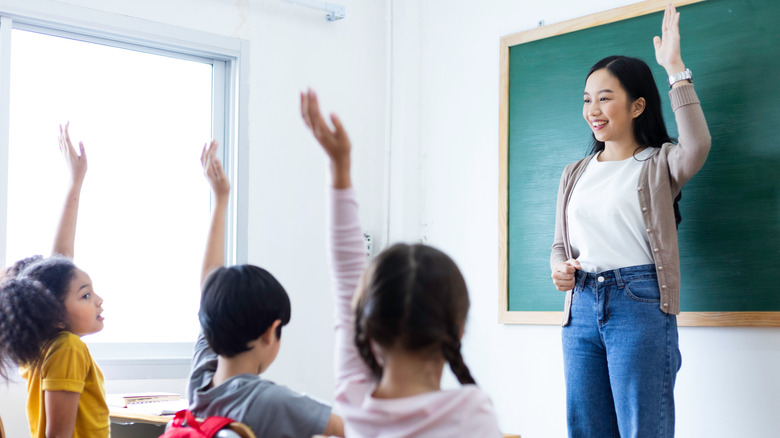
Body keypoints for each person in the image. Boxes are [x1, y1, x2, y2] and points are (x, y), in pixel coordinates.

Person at [300, 89, 502, 437]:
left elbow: (347, 274)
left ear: (368, 326)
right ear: (459, 329)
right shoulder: (471, 416)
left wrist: (339, 168)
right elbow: (349, 277)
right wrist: (340, 167)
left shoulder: (354, 401)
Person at [549, 4, 711, 437]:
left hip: (637, 304)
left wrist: (675, 69)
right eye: (587, 99)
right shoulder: (574, 172)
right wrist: (560, 270)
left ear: (638, 105)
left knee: (643, 429)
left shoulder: (659, 164)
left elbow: (697, 145)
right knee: (586, 429)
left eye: (605, 98)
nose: (593, 109)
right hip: (580, 308)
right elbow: (561, 246)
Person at [187, 140, 344, 438]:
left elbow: (209, 284)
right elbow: (350, 430)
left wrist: (220, 199)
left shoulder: (201, 383)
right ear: (271, 331)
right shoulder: (270, 401)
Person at [0, 123, 109, 438]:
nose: (99, 300)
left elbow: (61, 263)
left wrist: (75, 182)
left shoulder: (43, 344)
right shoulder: (68, 348)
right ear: (55, 314)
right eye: (86, 296)